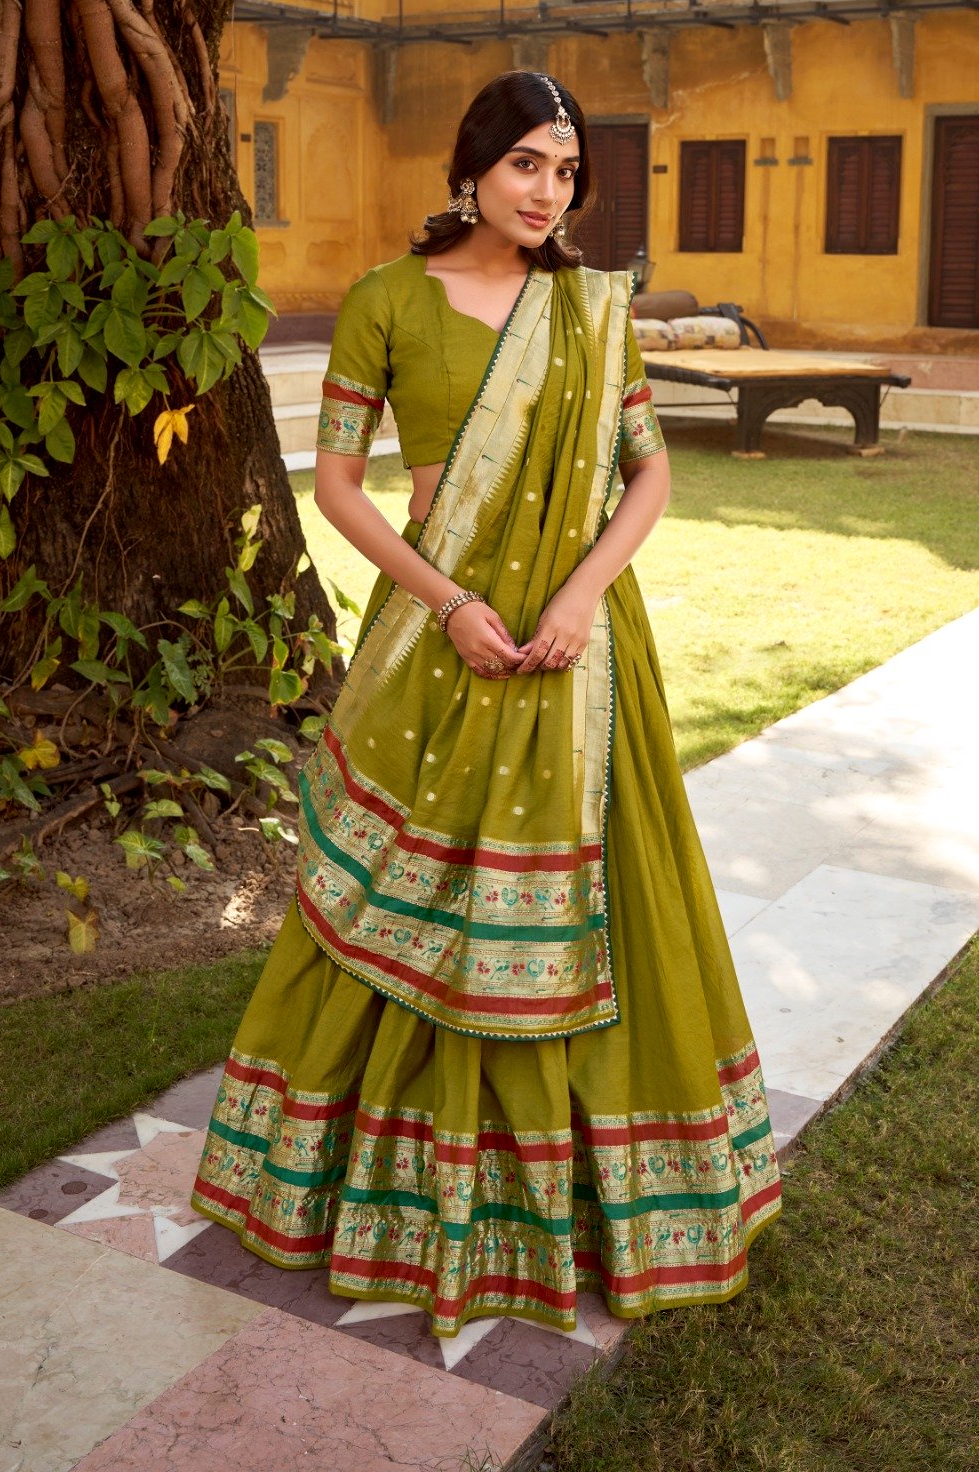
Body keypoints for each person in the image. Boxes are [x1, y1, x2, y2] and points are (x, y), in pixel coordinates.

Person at [191, 71, 781, 1337]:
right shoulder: (387, 300)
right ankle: (380, 1183)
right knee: (414, 901)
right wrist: (453, 602)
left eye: (565, 173)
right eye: (526, 164)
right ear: (470, 168)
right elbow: (339, 488)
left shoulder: (591, 309)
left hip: (578, 647)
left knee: (606, 903)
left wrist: (578, 596)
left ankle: (590, 1197)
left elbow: (648, 474)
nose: (547, 191)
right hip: (440, 639)